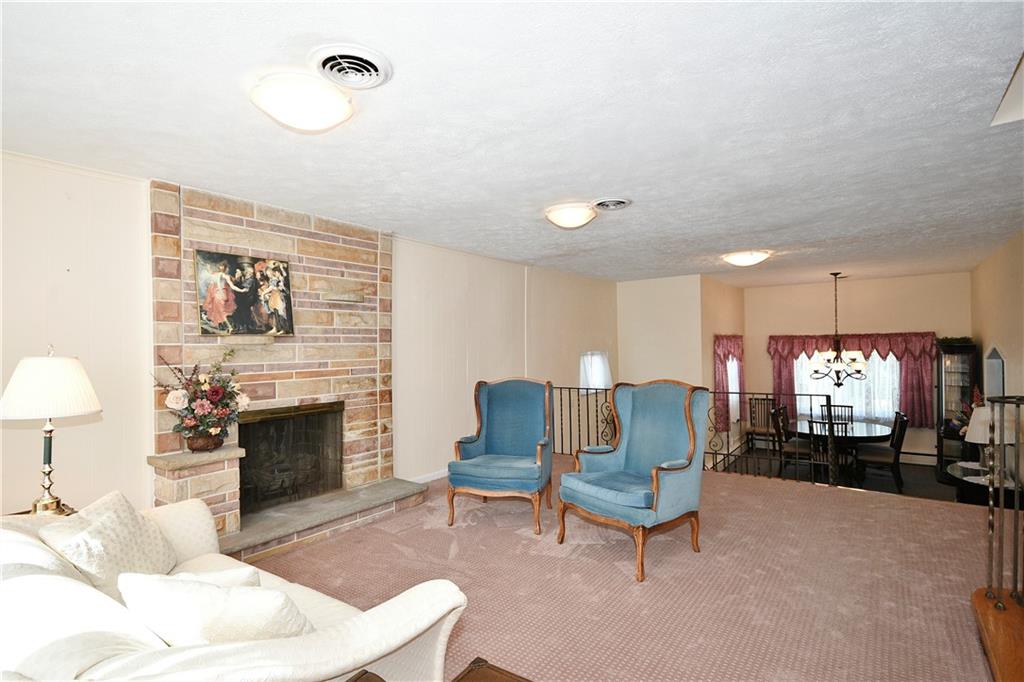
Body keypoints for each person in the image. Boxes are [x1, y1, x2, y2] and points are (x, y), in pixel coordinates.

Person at [201, 261, 248, 333]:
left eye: (222, 266)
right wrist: (241, 290)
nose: (221, 267)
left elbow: (229, 286)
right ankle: (228, 327)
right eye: (221, 266)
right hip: (223, 294)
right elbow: (232, 286)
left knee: (222, 312)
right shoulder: (225, 276)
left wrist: (241, 290)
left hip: (219, 295)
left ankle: (230, 327)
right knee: (222, 312)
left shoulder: (218, 275)